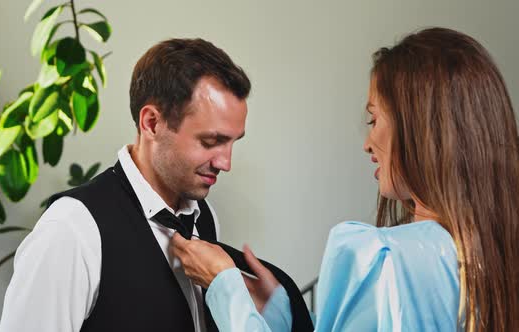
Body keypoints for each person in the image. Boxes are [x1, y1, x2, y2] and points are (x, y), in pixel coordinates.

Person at [172, 27, 519, 331]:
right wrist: (278, 315)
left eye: (374, 120)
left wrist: (226, 289)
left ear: (421, 128)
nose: (369, 143)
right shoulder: (492, 257)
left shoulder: (386, 261)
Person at [0, 38, 251, 332]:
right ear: (152, 123)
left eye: (234, 142)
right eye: (211, 141)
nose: (226, 163)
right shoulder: (71, 229)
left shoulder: (205, 217)